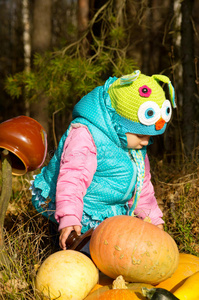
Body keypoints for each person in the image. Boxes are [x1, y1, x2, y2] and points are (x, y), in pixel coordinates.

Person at [31, 70, 176, 251]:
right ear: (118, 123)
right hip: (76, 210)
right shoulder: (86, 135)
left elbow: (142, 187)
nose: (146, 142)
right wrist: (69, 217)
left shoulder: (136, 145)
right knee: (88, 258)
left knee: (122, 254)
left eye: (150, 136)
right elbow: (72, 179)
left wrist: (153, 219)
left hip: (108, 212)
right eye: (140, 135)